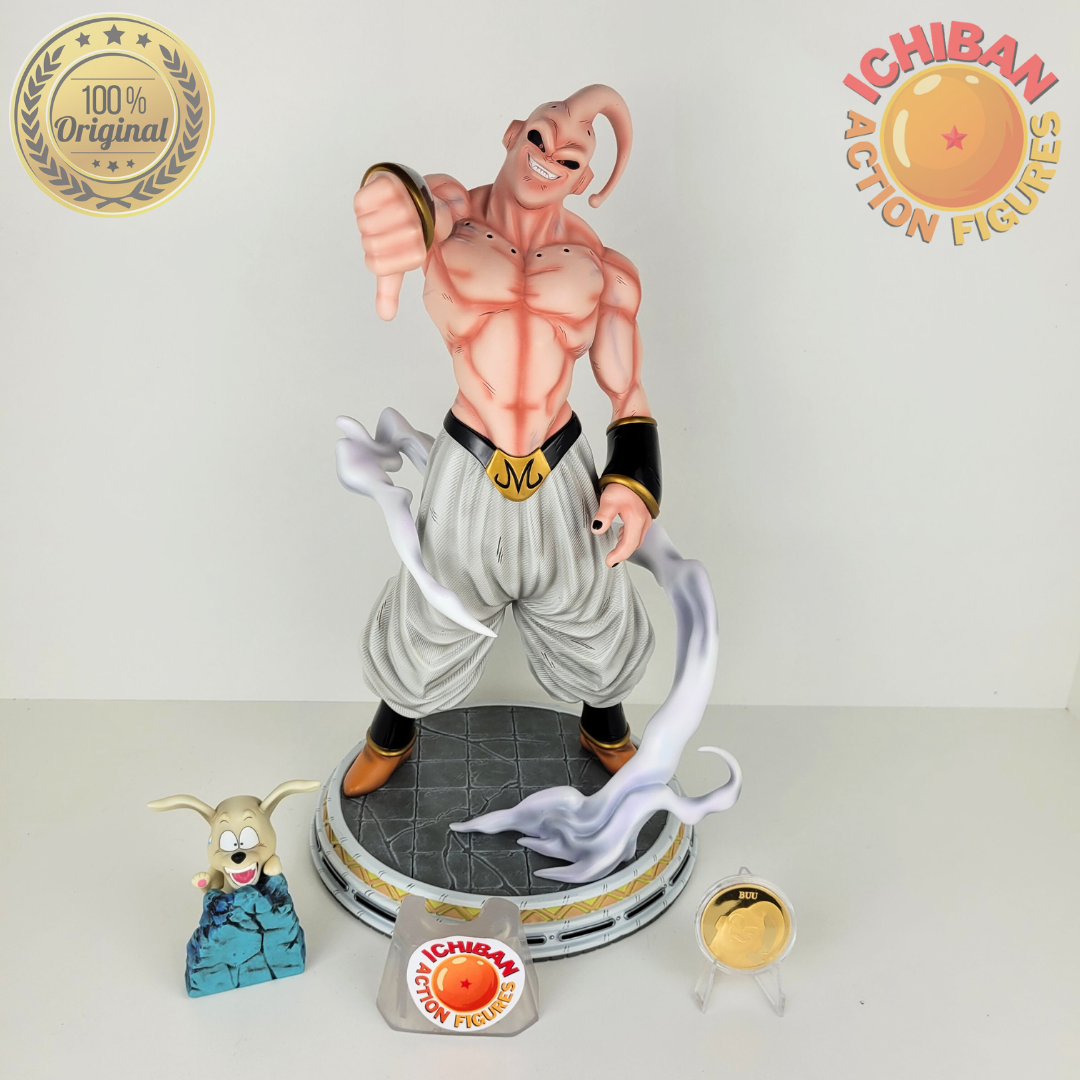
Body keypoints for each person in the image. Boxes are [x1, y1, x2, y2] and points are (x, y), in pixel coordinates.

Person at [345, 85, 663, 796]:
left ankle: (604, 727)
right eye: (540, 138)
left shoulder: (602, 266)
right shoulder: (454, 214)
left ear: (583, 176)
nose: (549, 157)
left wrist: (633, 484)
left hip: (561, 459)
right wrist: (388, 199)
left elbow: (627, 390)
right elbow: (411, 203)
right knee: (433, 609)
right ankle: (391, 732)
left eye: (571, 158)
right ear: (514, 133)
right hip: (471, 454)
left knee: (591, 607)